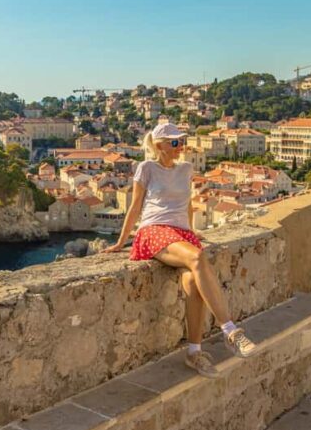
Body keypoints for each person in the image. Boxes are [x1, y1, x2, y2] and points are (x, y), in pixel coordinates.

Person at [103, 122, 257, 378]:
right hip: (154, 230)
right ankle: (231, 331)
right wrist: (122, 242)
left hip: (181, 233)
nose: (180, 147)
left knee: (193, 282)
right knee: (197, 257)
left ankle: (194, 353)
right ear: (159, 144)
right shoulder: (147, 168)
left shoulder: (186, 169)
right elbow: (135, 206)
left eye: (182, 142)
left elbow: (187, 204)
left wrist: (192, 231)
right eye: (175, 142)